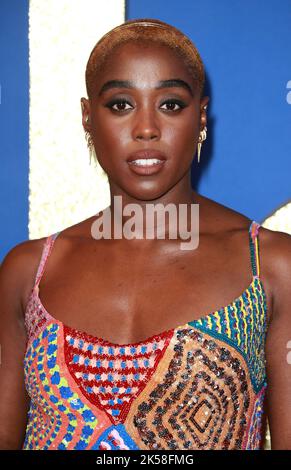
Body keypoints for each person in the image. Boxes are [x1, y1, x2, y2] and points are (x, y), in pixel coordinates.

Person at [0, 18, 290, 451]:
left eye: (170, 104)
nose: (147, 129)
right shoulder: (29, 273)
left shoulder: (271, 267)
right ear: (86, 118)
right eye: (121, 104)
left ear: (202, 116)